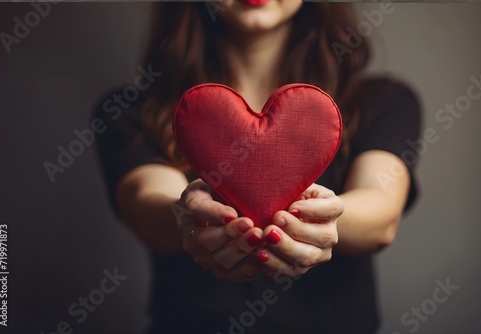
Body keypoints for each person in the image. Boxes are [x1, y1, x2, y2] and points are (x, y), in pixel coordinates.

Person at [95, 1, 421, 333]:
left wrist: (325, 218)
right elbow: (145, 200)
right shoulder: (130, 112)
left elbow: (381, 211)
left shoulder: (382, 101)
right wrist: (187, 215)